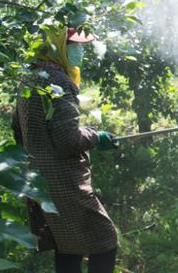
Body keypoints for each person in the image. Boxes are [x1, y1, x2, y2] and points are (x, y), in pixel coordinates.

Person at [12, 26, 120, 273]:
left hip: (38, 180)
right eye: (74, 46)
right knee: (105, 240)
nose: (81, 51)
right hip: (64, 182)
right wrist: (96, 136)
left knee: (68, 245)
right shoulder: (59, 81)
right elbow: (68, 139)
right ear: (58, 46)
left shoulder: (29, 77)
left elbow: (17, 129)